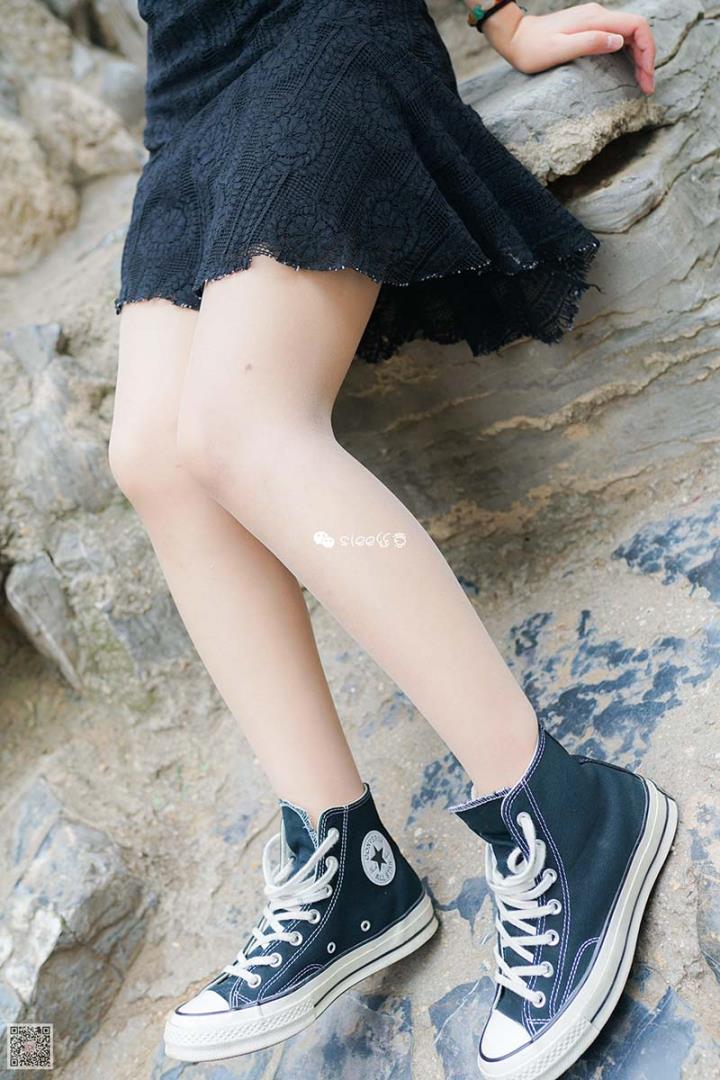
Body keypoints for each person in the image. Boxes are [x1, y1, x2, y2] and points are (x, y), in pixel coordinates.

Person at [109, 1, 675, 1075]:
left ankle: (567, 808)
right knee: (153, 459)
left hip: (322, 33)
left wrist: (503, 19)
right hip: (186, 86)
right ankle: (346, 862)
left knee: (241, 425)